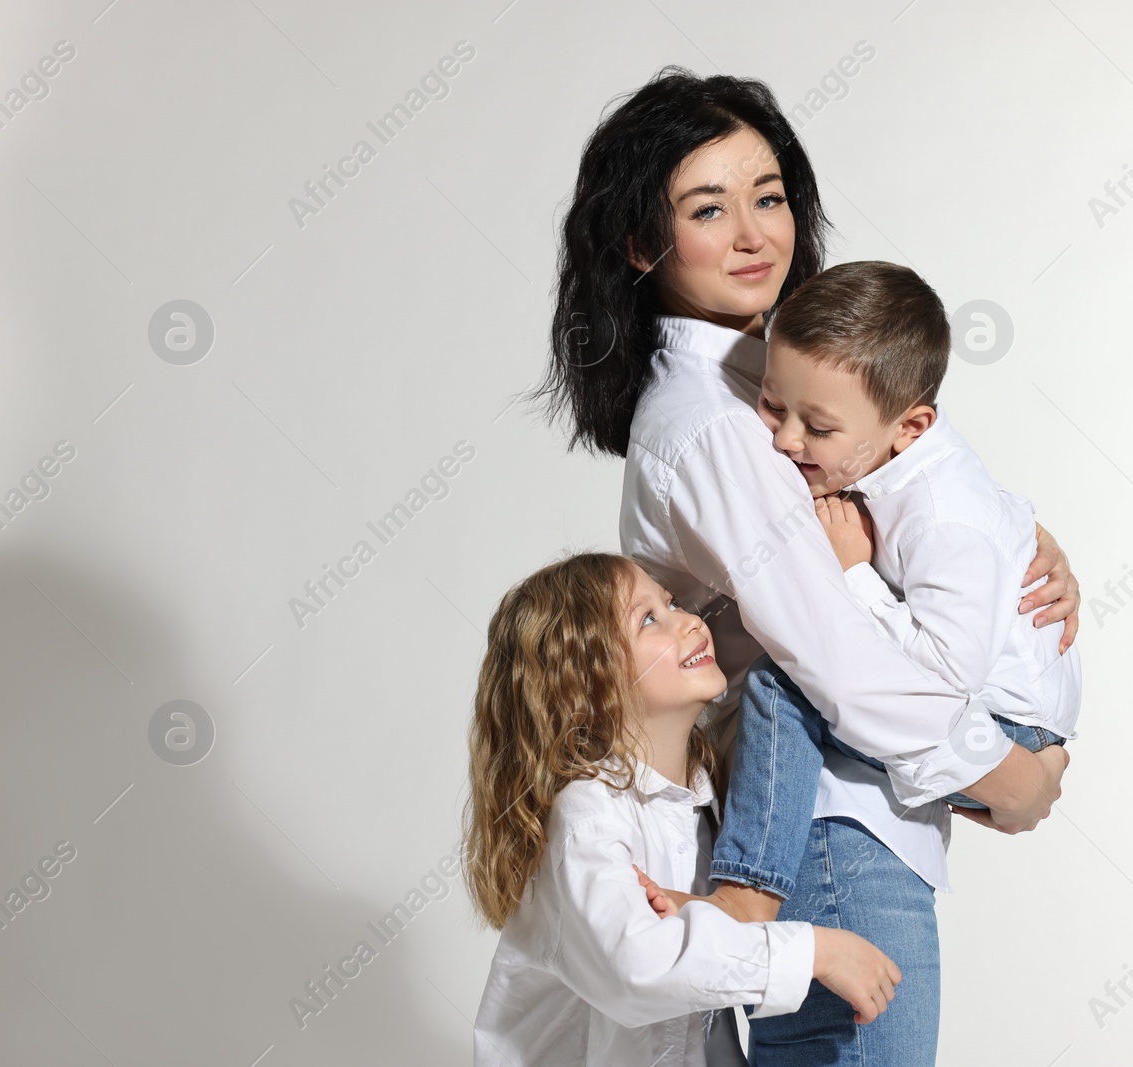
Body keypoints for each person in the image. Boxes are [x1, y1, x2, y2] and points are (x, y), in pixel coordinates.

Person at [532, 66, 1081, 1065]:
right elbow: (839, 662)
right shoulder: (714, 424)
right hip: (824, 829)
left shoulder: (774, 376)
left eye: (770, 196)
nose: (754, 234)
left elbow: (919, 501)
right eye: (709, 208)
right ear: (642, 243)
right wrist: (1008, 778)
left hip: (846, 824)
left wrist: (1021, 545)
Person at [641, 258, 1083, 932]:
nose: (785, 440)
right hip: (985, 703)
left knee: (781, 684)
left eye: (816, 429)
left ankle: (747, 891)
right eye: (770, 405)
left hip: (999, 714)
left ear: (910, 426)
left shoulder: (940, 514)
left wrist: (856, 576)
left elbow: (943, 672)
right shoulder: (885, 446)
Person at [463, 551, 902, 1066]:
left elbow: (701, 1033)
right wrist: (815, 951)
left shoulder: (704, 799)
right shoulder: (587, 814)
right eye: (649, 619)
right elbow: (637, 967)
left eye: (670, 604)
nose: (691, 620)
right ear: (587, 684)